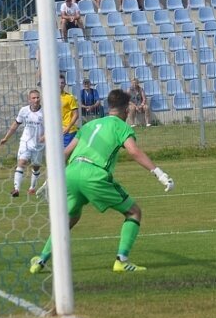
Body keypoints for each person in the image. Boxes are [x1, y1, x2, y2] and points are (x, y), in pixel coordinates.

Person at [28, 89, 175, 274]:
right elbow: (133, 151)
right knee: (133, 212)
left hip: (71, 173)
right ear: (125, 110)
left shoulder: (91, 124)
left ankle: (40, 260)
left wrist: (51, 178)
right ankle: (121, 261)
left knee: (69, 219)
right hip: (94, 175)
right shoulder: (121, 126)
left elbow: (64, 154)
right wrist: (159, 173)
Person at [0, 89, 44, 197]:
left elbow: (51, 127)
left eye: (37, 97)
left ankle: (32, 187)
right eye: (33, 98)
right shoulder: (24, 110)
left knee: (36, 166)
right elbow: (16, 124)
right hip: (25, 142)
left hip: (39, 144)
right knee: (22, 162)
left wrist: (45, 136)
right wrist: (6, 138)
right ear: (29, 100)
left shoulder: (45, 112)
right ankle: (16, 189)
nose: (36, 100)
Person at [60, 73, 79, 148]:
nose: (60, 85)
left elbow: (76, 114)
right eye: (58, 83)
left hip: (68, 131)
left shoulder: (69, 97)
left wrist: (68, 127)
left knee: (65, 154)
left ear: (65, 84)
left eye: (62, 83)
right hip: (57, 130)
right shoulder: (52, 97)